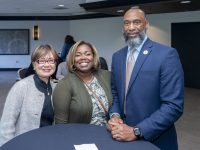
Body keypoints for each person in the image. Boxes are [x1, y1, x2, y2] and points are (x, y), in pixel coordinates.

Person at [107, 7, 184, 150]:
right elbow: (116, 94)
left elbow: (173, 106)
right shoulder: (117, 57)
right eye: (126, 23)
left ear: (146, 24)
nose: (131, 27)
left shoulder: (166, 55)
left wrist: (137, 131)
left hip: (156, 140)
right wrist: (115, 115)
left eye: (136, 22)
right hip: (121, 137)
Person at [0, 44, 59, 146]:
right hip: (24, 144)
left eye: (50, 60)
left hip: (50, 142)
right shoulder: (21, 87)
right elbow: (6, 125)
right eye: (41, 61)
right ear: (34, 65)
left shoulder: (57, 87)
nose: (47, 65)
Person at [53, 41, 112, 126]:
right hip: (80, 136)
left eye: (87, 54)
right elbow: (60, 125)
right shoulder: (64, 85)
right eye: (77, 55)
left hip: (109, 134)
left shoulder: (107, 76)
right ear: (72, 59)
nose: (83, 57)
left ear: (94, 57)